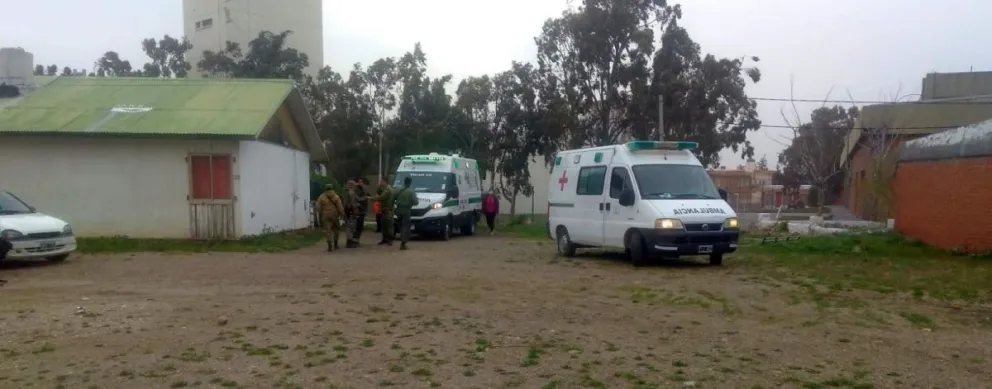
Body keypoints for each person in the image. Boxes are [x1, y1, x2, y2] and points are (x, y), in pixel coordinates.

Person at [314, 184, 344, 252]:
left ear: (326, 188)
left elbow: (317, 207)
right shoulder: (336, 196)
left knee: (328, 230)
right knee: (336, 229)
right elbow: (340, 207)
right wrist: (342, 214)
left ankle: (330, 246)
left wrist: (321, 212)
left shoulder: (321, 196)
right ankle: (336, 244)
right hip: (335, 214)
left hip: (325, 214)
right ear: (332, 188)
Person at [394, 176, 419, 250]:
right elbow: (415, 202)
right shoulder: (411, 191)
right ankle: (403, 242)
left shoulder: (398, 189)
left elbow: (393, 197)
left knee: (400, 225)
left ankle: (402, 238)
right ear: (410, 182)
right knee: (406, 226)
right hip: (406, 210)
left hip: (398, 209)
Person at [374, 177, 395, 245]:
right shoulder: (384, 189)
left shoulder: (388, 190)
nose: (380, 183)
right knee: (383, 226)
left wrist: (370, 198)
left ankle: (390, 240)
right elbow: (378, 192)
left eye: (381, 181)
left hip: (388, 210)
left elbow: (381, 197)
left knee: (389, 226)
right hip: (384, 210)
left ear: (385, 182)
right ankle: (385, 239)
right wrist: (379, 186)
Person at [343, 180, 361, 248]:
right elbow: (353, 203)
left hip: (347, 211)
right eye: (355, 185)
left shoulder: (345, 192)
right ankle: (349, 242)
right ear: (352, 185)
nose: (356, 186)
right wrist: (356, 210)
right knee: (351, 227)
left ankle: (349, 241)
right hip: (351, 211)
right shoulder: (352, 193)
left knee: (348, 226)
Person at [353, 177, 370, 241]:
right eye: (359, 182)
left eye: (362, 182)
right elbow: (355, 198)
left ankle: (357, 239)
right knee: (356, 225)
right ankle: (354, 239)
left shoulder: (364, 189)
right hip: (357, 210)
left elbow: (368, 195)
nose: (360, 183)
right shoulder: (356, 189)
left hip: (363, 209)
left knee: (360, 226)